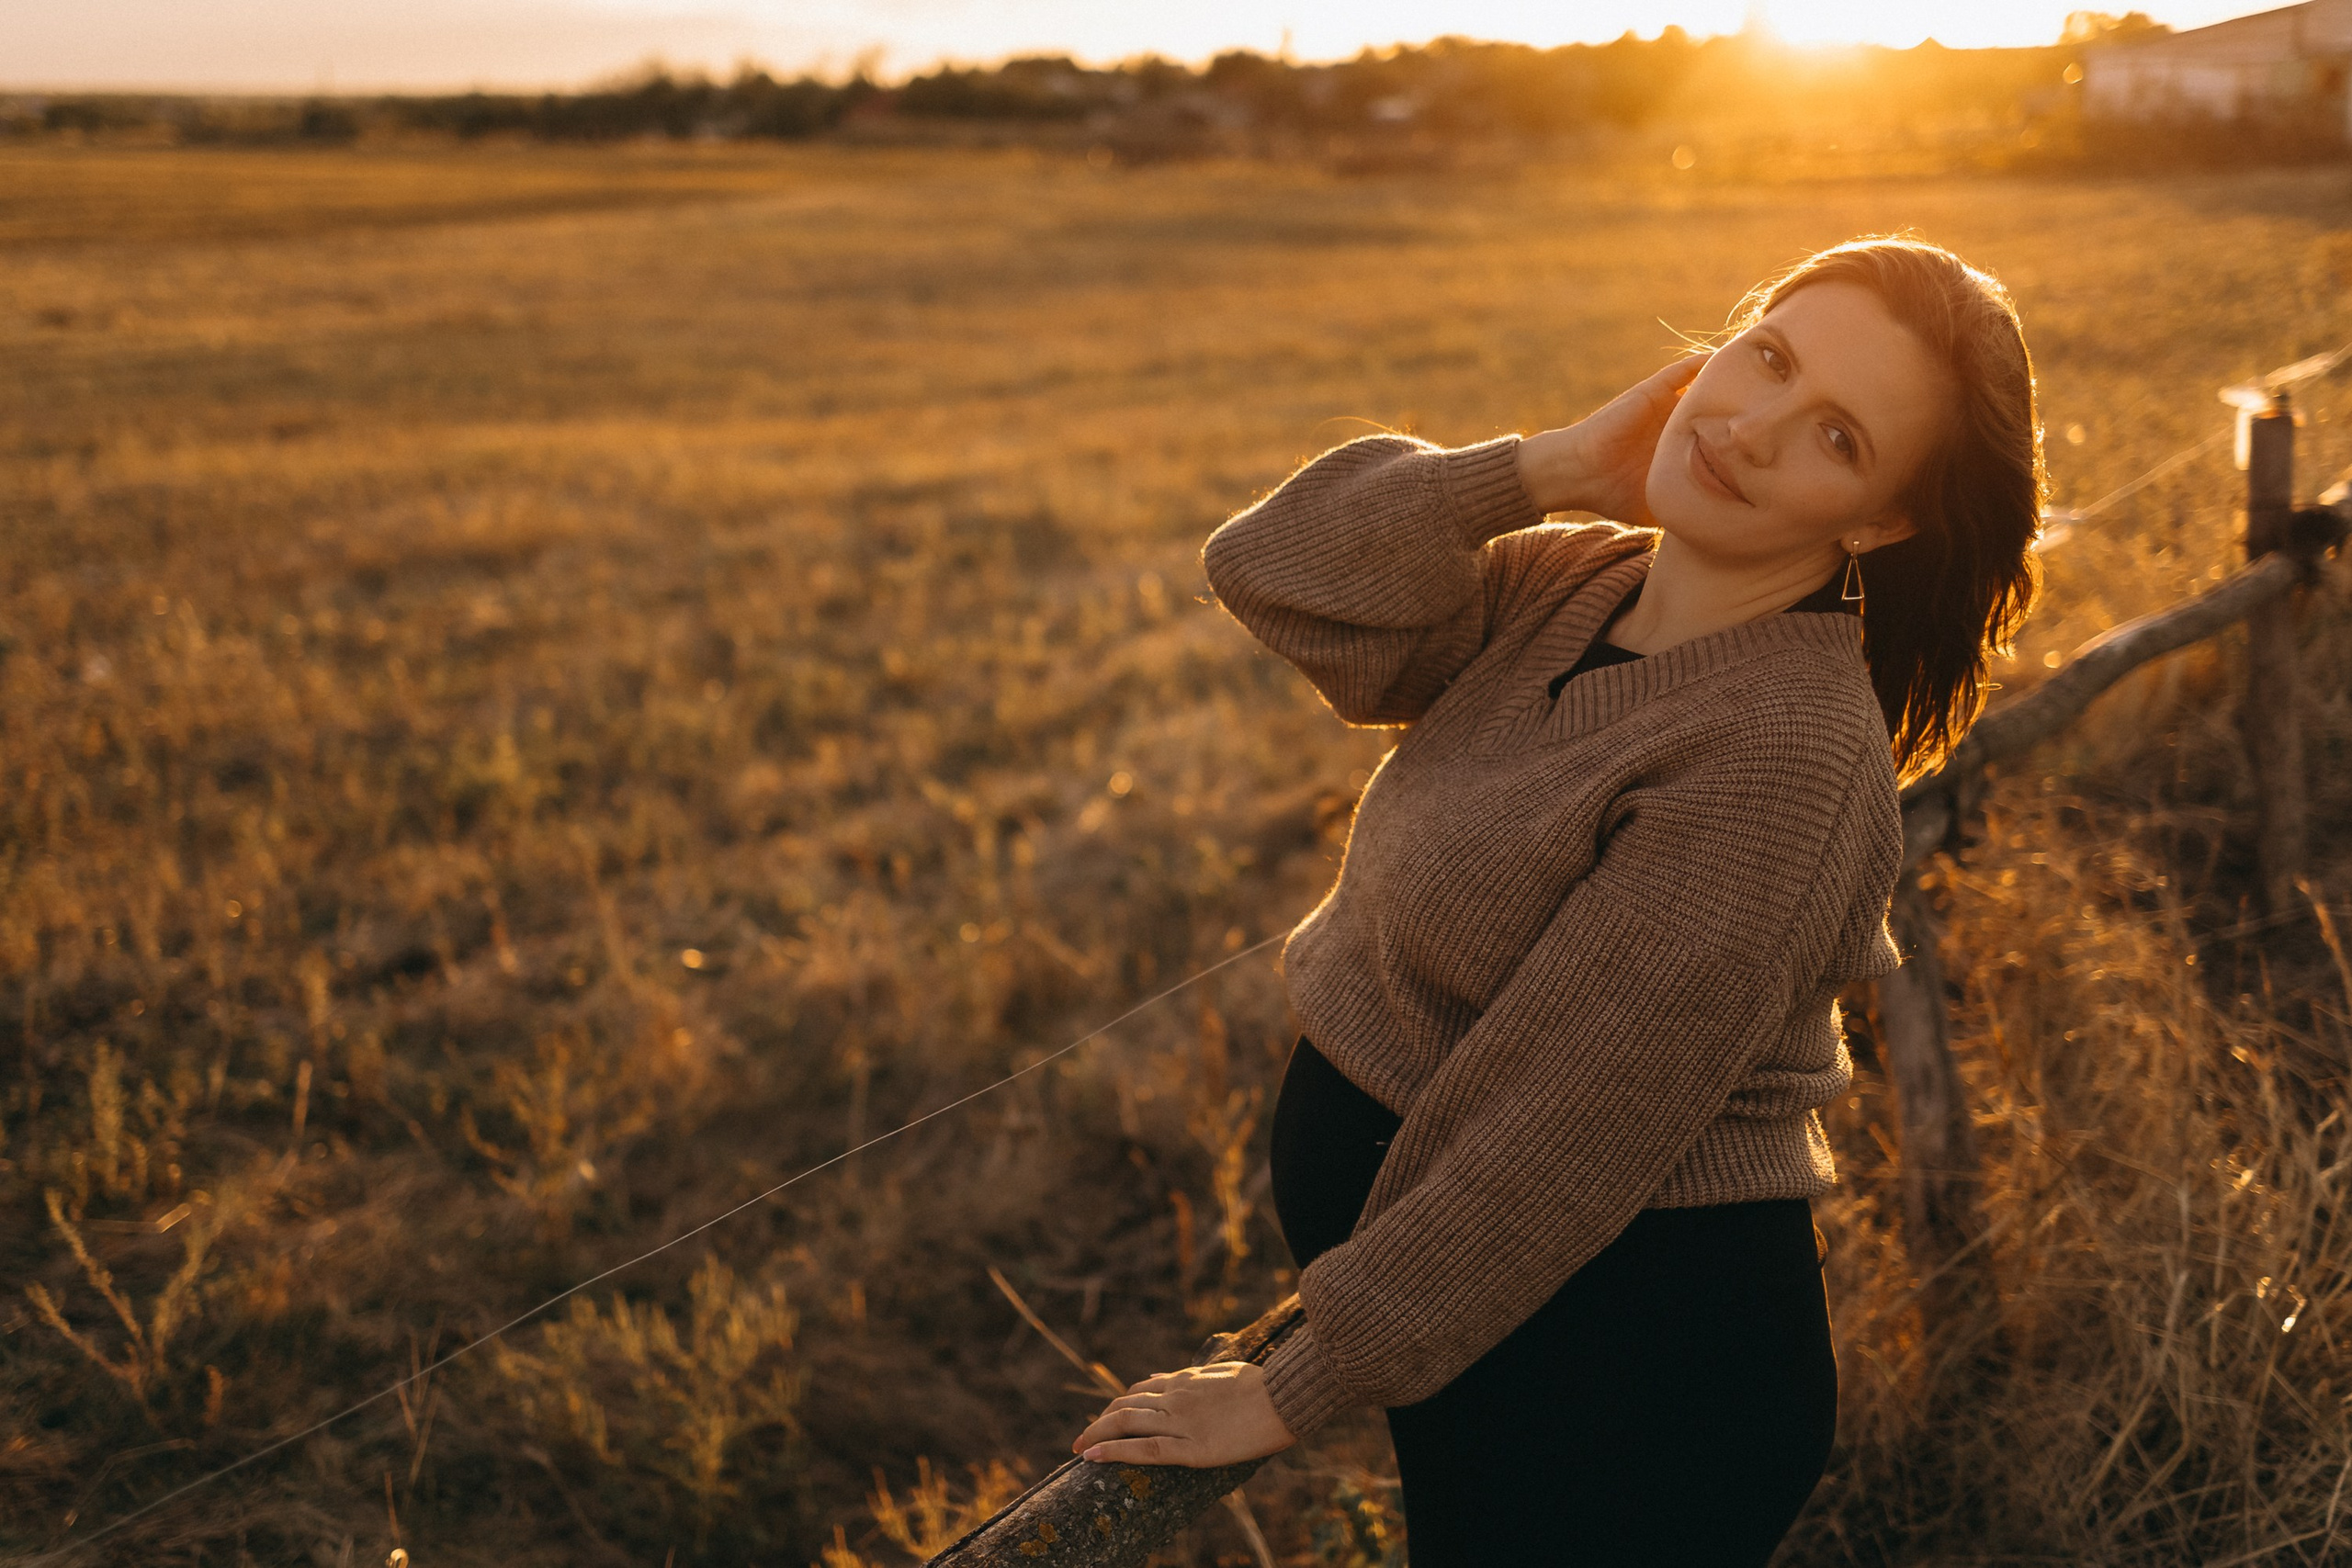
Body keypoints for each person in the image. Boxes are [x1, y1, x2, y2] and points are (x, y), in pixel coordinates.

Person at [1069, 237, 2045, 1563]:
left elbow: (1571, 1120)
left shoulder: (1782, 754)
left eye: (1834, 436)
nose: (1751, 428)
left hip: (1628, 1370)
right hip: (1488, 1320)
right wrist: (1550, 467)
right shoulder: (1577, 577)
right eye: (1767, 355)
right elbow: (1274, 566)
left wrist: (1297, 1385)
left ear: (1876, 521)